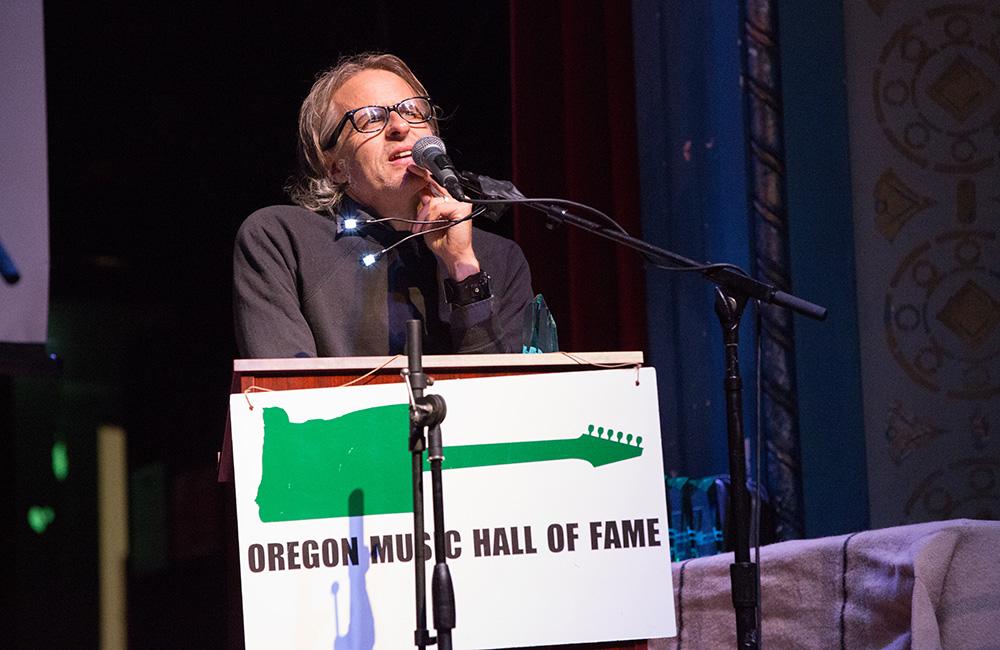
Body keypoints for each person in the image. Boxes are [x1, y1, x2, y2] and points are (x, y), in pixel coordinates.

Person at [233, 53, 534, 358]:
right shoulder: (282, 238)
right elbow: (285, 385)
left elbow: (502, 386)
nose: (400, 126)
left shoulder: (500, 258)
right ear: (335, 167)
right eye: (371, 118)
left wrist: (464, 272)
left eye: (413, 111)